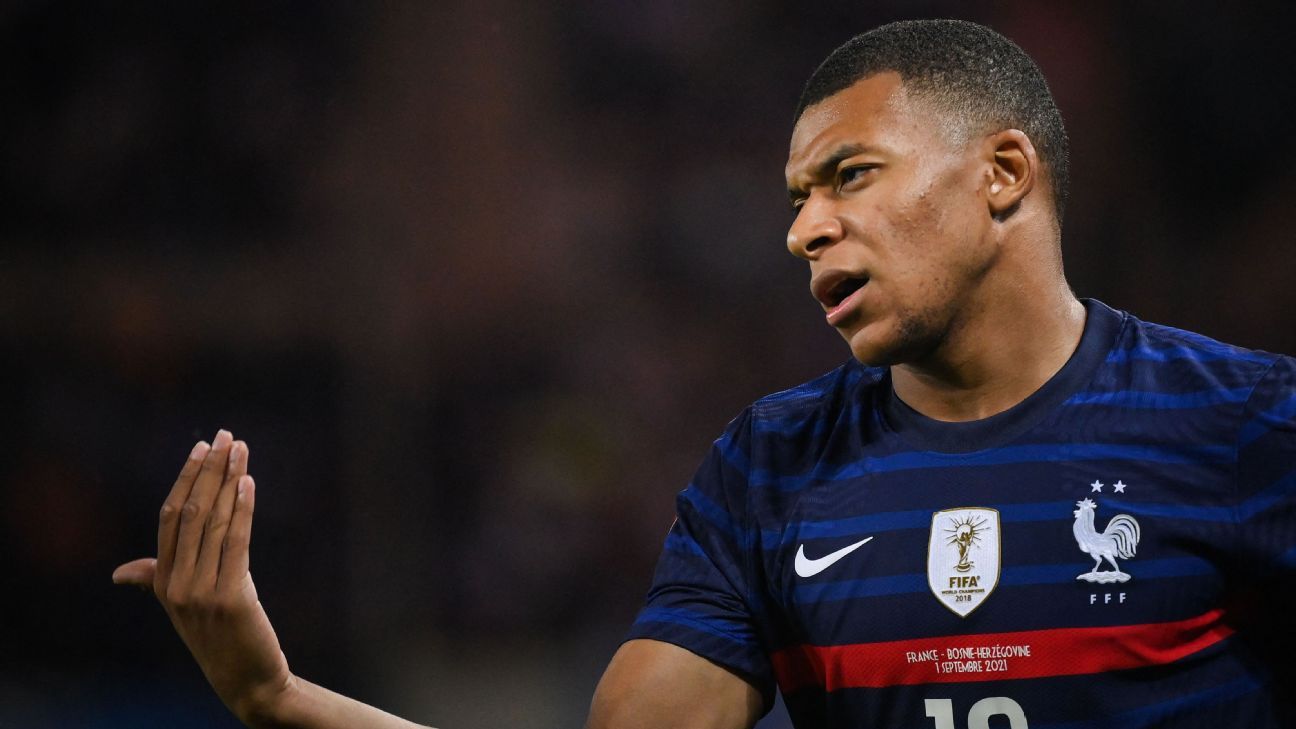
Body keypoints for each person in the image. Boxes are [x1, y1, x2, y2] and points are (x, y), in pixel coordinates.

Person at [114, 18, 1296, 729]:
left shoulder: (1243, 424)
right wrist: (278, 699)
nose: (806, 229)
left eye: (851, 176)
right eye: (798, 197)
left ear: (1002, 175)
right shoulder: (772, 470)